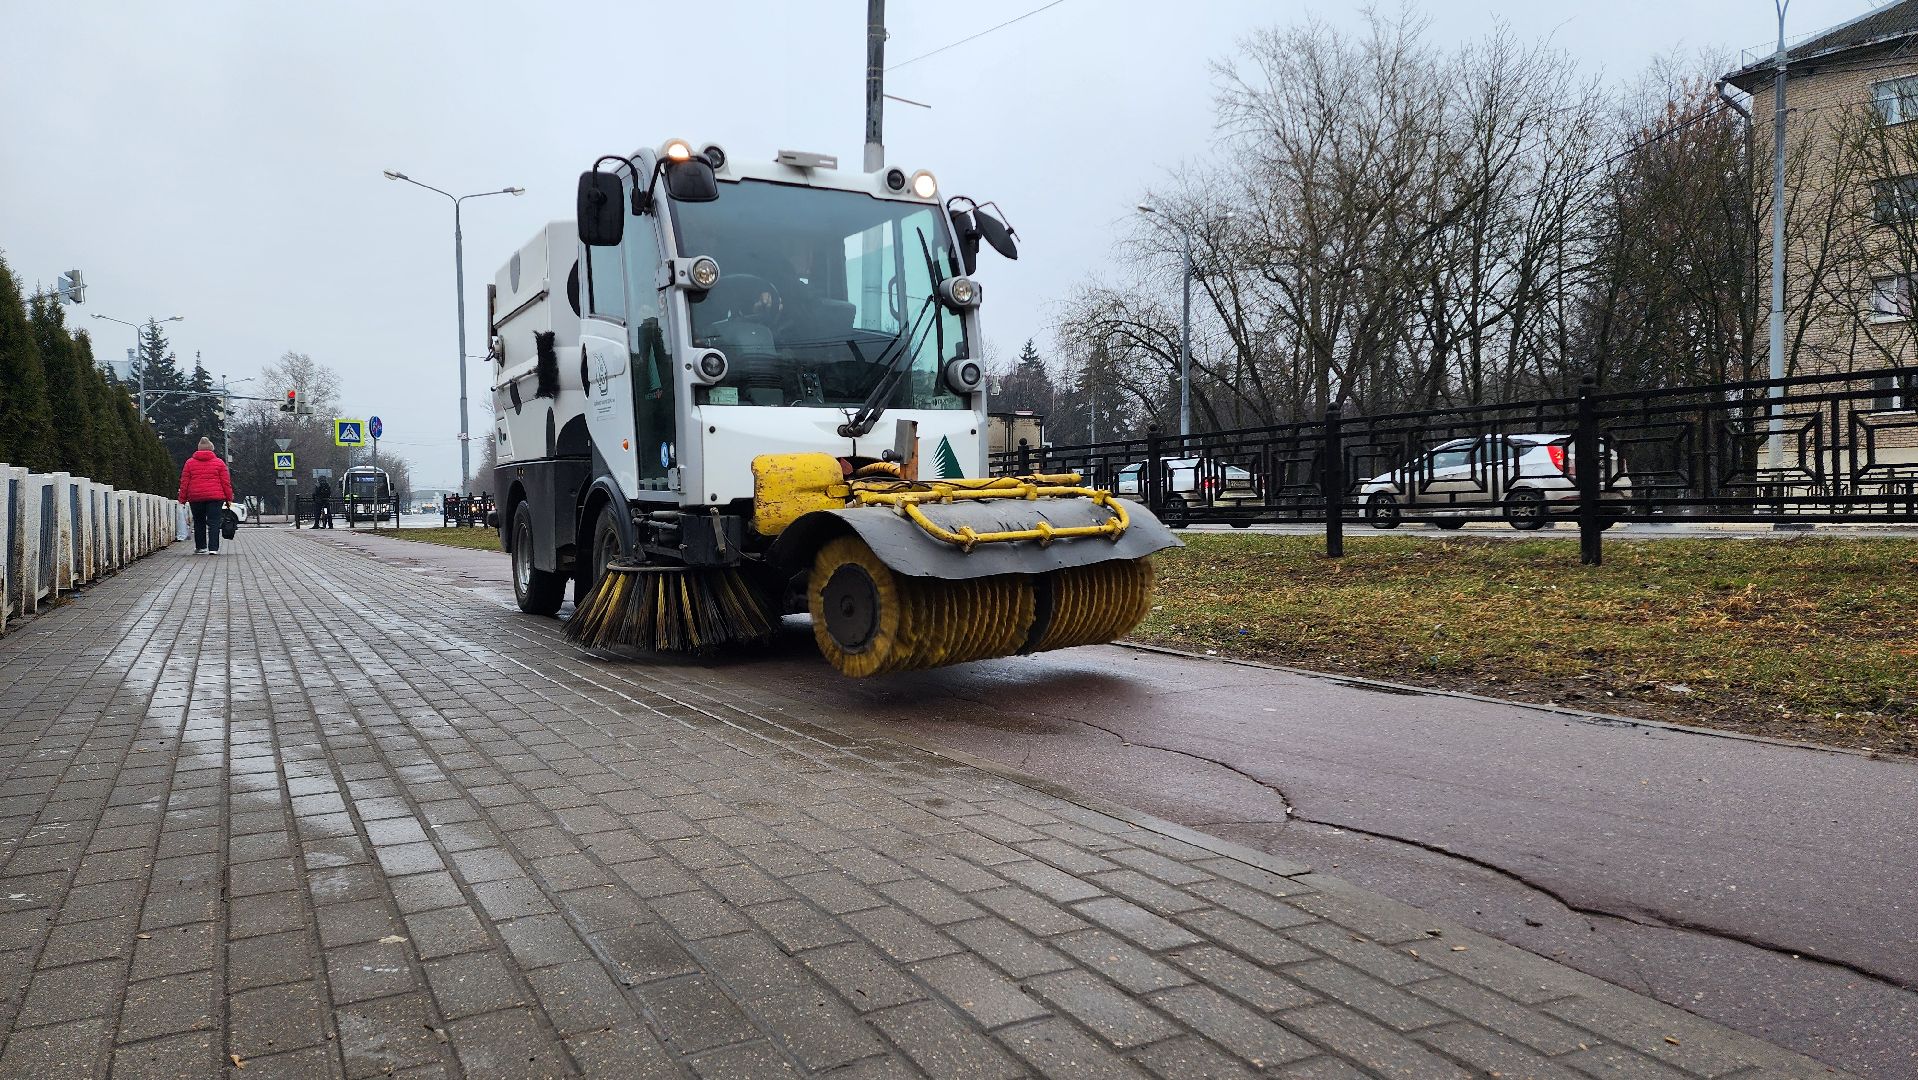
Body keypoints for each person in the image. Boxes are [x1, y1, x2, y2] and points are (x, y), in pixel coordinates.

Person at [177, 437, 235, 555]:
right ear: (211, 449)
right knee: (214, 522)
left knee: (199, 522)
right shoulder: (219, 463)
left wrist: (182, 499)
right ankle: (213, 548)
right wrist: (229, 498)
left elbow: (184, 482)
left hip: (196, 498)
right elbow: (226, 482)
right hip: (215, 498)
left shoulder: (189, 463)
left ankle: (201, 547)